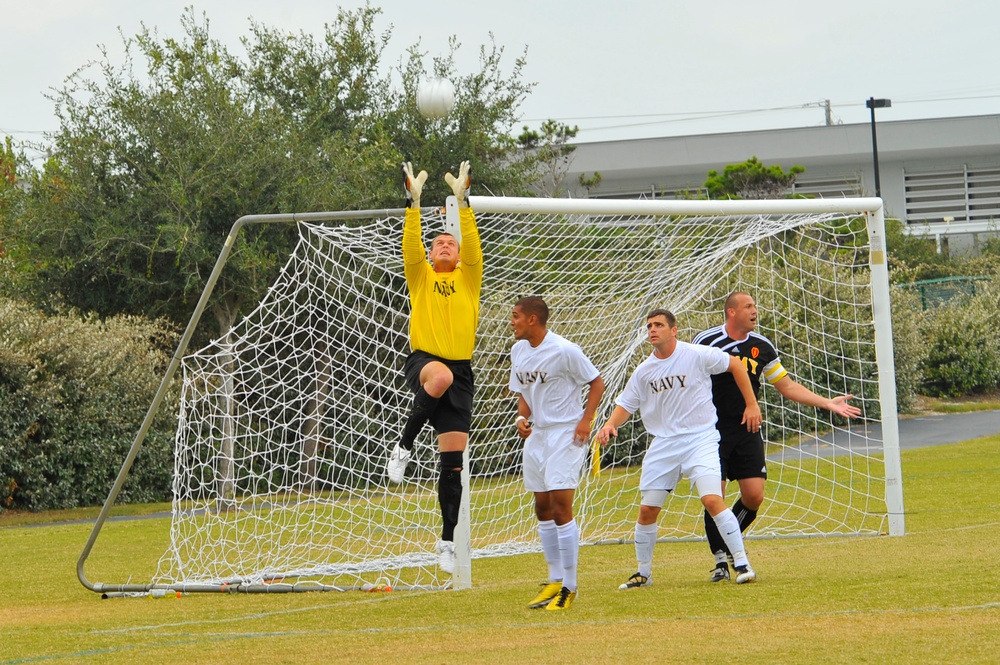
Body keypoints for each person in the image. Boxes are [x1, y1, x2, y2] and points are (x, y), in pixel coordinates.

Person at [693, 291, 862, 582]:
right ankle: (721, 560)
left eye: (755, 306)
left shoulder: (762, 346)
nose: (754, 310)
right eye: (748, 306)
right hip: (711, 431)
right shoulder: (705, 341)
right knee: (714, 497)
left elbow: (785, 385)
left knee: (754, 496)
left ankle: (730, 545)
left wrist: (826, 402)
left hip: (748, 428)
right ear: (731, 312)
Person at [596, 308, 763, 588]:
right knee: (648, 510)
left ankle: (743, 563)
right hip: (664, 445)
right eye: (649, 325)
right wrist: (610, 424)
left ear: (673, 330)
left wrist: (751, 403)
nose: (652, 330)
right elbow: (626, 404)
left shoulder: (695, 354)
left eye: (659, 325)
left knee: (712, 500)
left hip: (701, 438)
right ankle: (643, 573)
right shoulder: (644, 371)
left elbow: (735, 365)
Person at [385, 160, 480, 575]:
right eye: (438, 242)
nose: (445, 245)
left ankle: (445, 541)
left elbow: (473, 244)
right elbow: (410, 244)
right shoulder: (420, 276)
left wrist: (463, 201)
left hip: (461, 375)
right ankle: (404, 445)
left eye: (450, 243)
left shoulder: (469, 278)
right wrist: (413, 203)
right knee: (438, 375)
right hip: (426, 363)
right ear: (430, 253)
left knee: (453, 466)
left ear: (458, 256)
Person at [509, 296, 605, 611]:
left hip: (566, 433)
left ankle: (570, 586)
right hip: (538, 435)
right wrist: (522, 418)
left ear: (533, 320)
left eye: (516, 316)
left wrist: (585, 420)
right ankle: (553, 579)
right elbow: (524, 393)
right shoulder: (518, 350)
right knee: (542, 507)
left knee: (562, 507)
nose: (512, 322)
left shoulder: (565, 350)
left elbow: (596, 382)